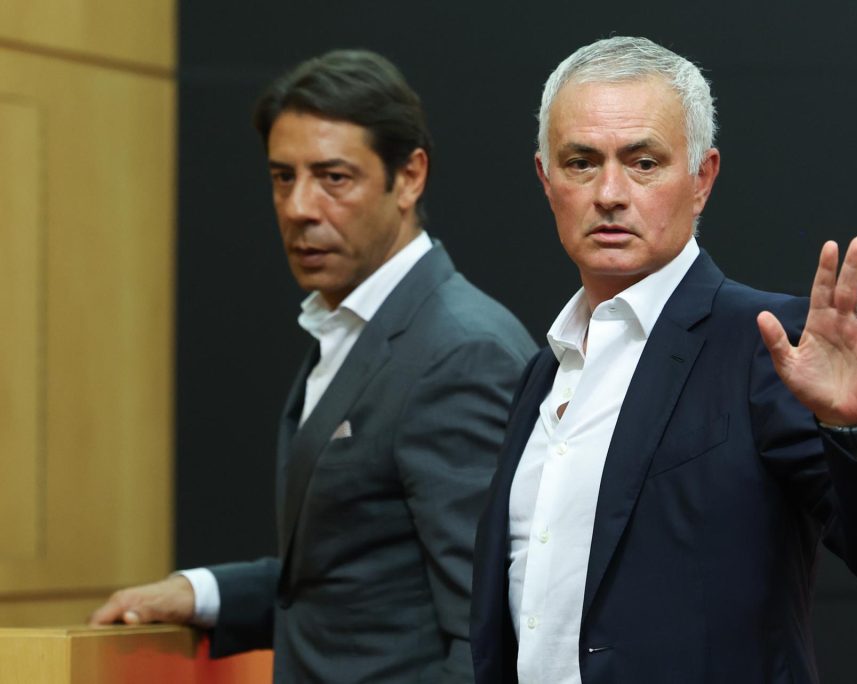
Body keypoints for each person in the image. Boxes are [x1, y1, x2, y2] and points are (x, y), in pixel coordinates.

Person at [470, 36, 857, 684]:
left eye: (643, 162)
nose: (610, 192)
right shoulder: (541, 373)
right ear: (546, 179)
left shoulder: (765, 345)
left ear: (702, 179)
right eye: (581, 162)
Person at [90, 49, 537, 683]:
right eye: (282, 177)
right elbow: (351, 580)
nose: (299, 206)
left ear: (409, 178)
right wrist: (202, 592)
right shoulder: (354, 325)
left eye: (333, 178)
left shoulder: (458, 351)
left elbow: (487, 631)